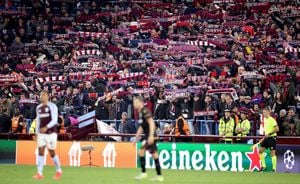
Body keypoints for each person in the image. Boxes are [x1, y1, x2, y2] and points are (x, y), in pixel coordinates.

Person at [33, 91, 62, 180]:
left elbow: (54, 120)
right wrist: (36, 133)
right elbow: (38, 121)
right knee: (40, 151)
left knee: (51, 152)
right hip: (41, 133)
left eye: (44, 95)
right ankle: (39, 173)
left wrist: (46, 127)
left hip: (51, 133)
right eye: (41, 95)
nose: (42, 96)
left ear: (48, 96)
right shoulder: (38, 107)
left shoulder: (52, 106)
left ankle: (59, 170)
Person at [133, 96, 163, 182]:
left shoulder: (145, 111)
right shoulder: (140, 113)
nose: (134, 104)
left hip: (150, 135)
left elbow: (151, 123)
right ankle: (158, 175)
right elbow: (141, 127)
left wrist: (150, 136)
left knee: (142, 151)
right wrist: (136, 138)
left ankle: (144, 173)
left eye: (136, 102)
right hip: (147, 135)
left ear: (140, 103)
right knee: (154, 154)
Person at [259, 106, 279, 172]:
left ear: (268, 112)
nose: (263, 114)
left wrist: (269, 134)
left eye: (264, 112)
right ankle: (264, 166)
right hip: (267, 138)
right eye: (263, 112)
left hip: (272, 137)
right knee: (260, 151)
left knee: (272, 153)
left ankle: (274, 169)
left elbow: (277, 129)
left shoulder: (272, 119)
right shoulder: (264, 119)